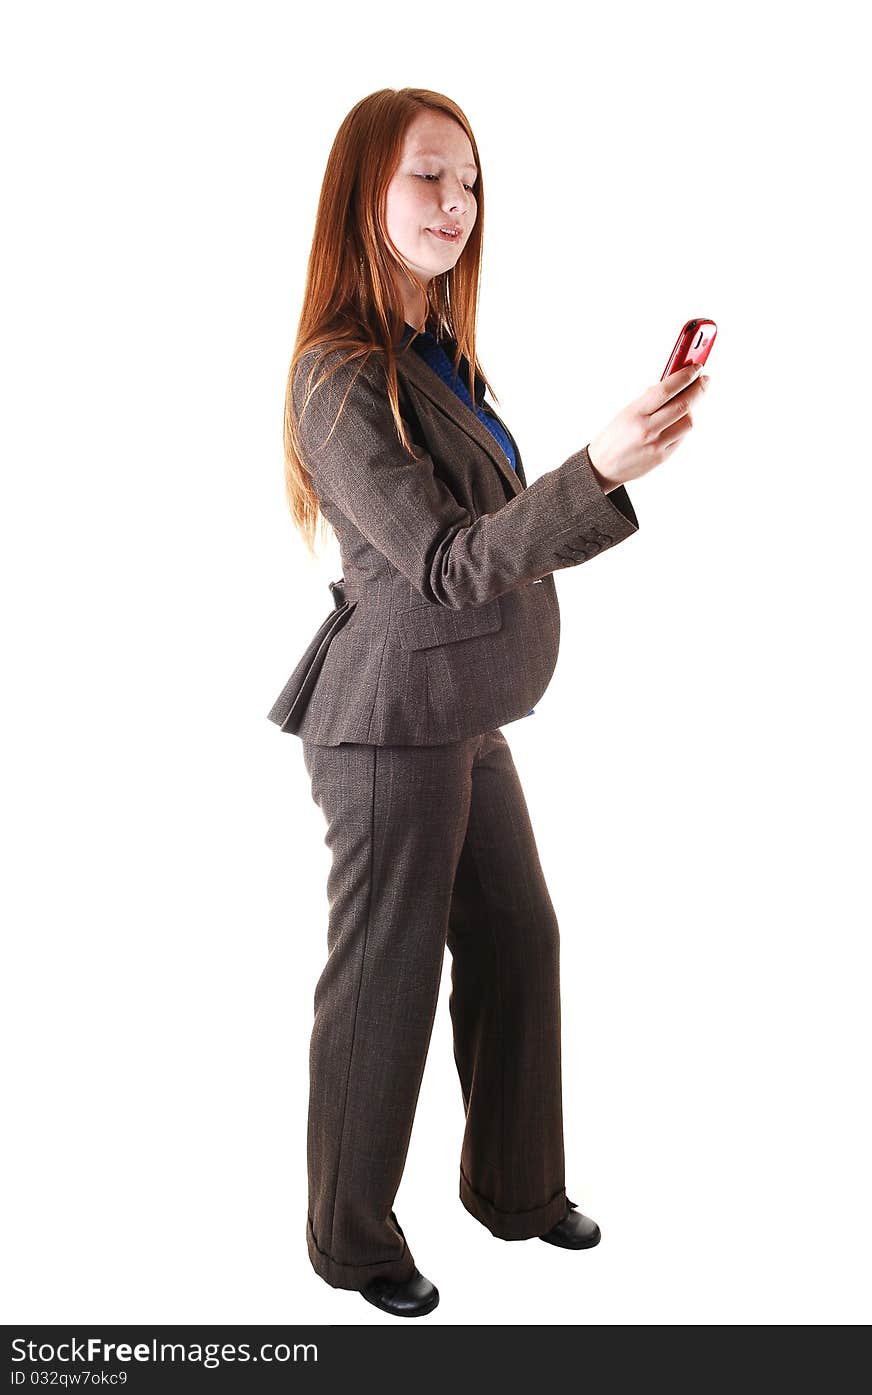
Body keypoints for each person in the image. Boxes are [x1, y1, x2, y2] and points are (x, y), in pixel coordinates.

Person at [269, 88, 710, 1318]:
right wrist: (597, 470)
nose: (456, 205)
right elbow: (448, 564)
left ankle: (514, 1194)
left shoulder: (436, 358)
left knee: (519, 940)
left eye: (469, 184)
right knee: (386, 980)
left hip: (458, 711)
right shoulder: (336, 378)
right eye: (426, 179)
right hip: (388, 721)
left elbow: (489, 539)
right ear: (364, 190)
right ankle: (350, 1245)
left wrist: (606, 457)